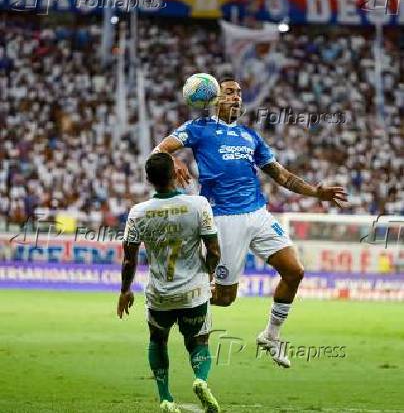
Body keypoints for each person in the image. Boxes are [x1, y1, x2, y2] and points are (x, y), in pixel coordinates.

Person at [151, 78, 348, 367]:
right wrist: (174, 161)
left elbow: (282, 175)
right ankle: (179, 300)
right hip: (224, 218)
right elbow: (160, 150)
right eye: (230, 92)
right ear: (215, 98)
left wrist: (316, 192)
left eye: (239, 93)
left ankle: (271, 335)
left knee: (294, 271)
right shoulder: (199, 129)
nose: (236, 97)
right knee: (225, 298)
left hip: (258, 214)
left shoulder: (249, 136)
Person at [117, 153, 221, 413]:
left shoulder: (138, 213)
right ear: (175, 175)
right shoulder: (199, 205)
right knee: (199, 341)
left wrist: (125, 290)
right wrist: (210, 275)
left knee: (158, 340)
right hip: (193, 292)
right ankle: (200, 379)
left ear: (148, 179)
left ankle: (165, 398)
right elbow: (214, 250)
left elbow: (129, 260)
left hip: (159, 294)